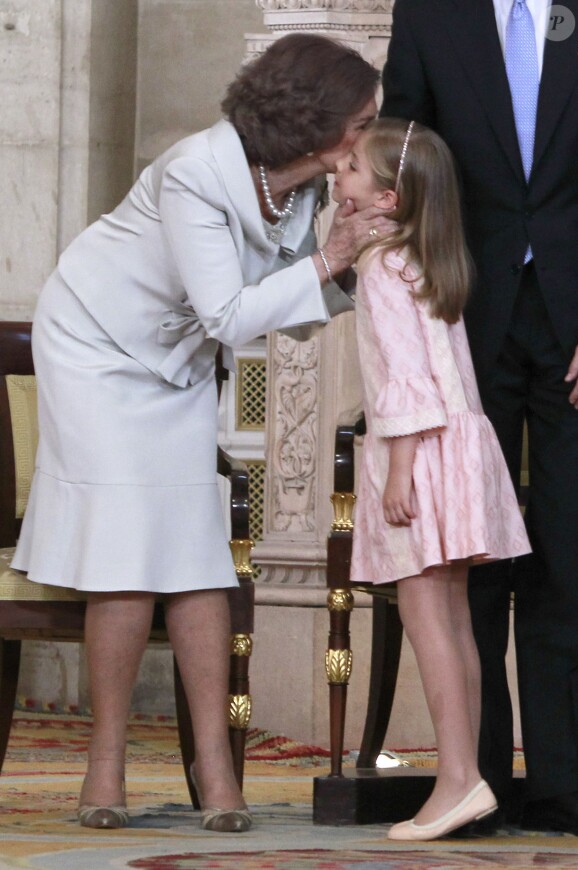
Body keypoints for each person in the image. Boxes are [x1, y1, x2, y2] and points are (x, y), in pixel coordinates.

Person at [10, 33, 389, 832]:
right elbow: (228, 312)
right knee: (124, 547)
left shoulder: (305, 188)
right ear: (320, 123)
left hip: (177, 361)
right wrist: (330, 263)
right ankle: (104, 768)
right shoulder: (196, 170)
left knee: (193, 549)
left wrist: (347, 262)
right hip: (97, 346)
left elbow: (284, 315)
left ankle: (216, 771)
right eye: (364, 119)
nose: (372, 131)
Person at [380, 0, 578, 835]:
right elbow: (400, 153)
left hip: (572, 321)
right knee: (476, 557)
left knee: (570, 551)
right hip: (461, 314)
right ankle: (480, 780)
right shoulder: (430, 10)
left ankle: (567, 782)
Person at [336, 117, 531, 841]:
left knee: (431, 624)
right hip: (460, 449)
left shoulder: (381, 267)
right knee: (454, 624)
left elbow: (409, 381)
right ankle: (466, 775)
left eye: (352, 168)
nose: (339, 175)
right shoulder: (422, 257)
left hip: (420, 455)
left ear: (390, 197)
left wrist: (400, 474)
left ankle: (456, 780)